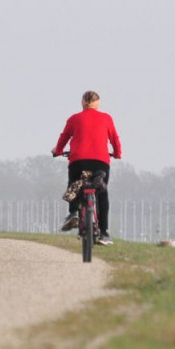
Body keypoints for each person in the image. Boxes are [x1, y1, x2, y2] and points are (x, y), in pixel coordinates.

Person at [52, 90, 122, 245]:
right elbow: (115, 139)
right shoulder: (106, 118)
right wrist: (117, 154)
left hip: (78, 161)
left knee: (74, 184)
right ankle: (104, 233)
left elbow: (63, 137)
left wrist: (57, 151)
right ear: (98, 103)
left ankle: (73, 213)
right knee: (102, 193)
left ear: (82, 102)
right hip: (100, 163)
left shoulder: (74, 119)